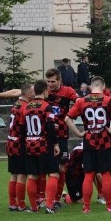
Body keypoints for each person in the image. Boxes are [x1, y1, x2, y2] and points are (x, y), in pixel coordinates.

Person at [65, 76, 111, 213]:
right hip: (104, 141)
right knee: (106, 174)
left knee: (88, 174)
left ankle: (86, 207)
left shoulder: (81, 101)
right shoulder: (108, 99)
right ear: (103, 87)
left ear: (91, 87)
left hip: (88, 141)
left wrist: (79, 134)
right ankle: (110, 206)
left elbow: (67, 118)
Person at [20, 79, 60, 214]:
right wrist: (55, 143)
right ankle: (49, 206)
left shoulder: (26, 106)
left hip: (30, 144)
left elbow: (21, 127)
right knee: (53, 173)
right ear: (45, 91)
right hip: (44, 145)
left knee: (33, 175)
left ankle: (34, 207)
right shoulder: (46, 106)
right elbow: (50, 126)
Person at [44, 68, 80, 208]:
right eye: (48, 81)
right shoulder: (44, 91)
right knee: (47, 168)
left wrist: (70, 115)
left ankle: (57, 199)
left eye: (53, 81)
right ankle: (45, 199)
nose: (50, 84)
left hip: (62, 135)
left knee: (62, 167)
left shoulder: (68, 91)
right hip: (46, 135)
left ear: (60, 81)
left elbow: (79, 102)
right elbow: (21, 93)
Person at [5, 83, 34, 212]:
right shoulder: (24, 107)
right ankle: (21, 205)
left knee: (14, 174)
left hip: (11, 142)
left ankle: (12, 203)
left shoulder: (16, 104)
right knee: (22, 175)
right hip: (19, 143)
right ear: (28, 94)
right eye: (33, 92)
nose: (35, 94)